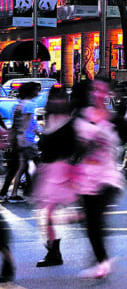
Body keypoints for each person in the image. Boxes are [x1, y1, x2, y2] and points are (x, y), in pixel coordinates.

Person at [73, 76, 127, 279]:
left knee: (96, 217)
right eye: (95, 90)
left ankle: (102, 261)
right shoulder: (81, 116)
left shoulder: (115, 119)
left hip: (108, 176)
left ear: (109, 94)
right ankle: (101, 259)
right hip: (86, 175)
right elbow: (72, 147)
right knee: (90, 223)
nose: (98, 94)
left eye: (102, 90)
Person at [32, 87, 75, 268]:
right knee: (46, 213)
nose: (57, 102)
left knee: (48, 213)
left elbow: (74, 149)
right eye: (53, 98)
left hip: (61, 171)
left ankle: (53, 252)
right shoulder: (50, 118)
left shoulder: (70, 122)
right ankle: (53, 250)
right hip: (48, 170)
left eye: (60, 98)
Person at [8, 81, 40, 202]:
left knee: (21, 167)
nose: (38, 92)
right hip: (28, 140)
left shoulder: (20, 104)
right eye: (36, 89)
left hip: (21, 139)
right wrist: (39, 132)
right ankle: (38, 191)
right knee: (40, 165)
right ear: (31, 91)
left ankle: (14, 193)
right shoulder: (30, 105)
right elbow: (28, 123)